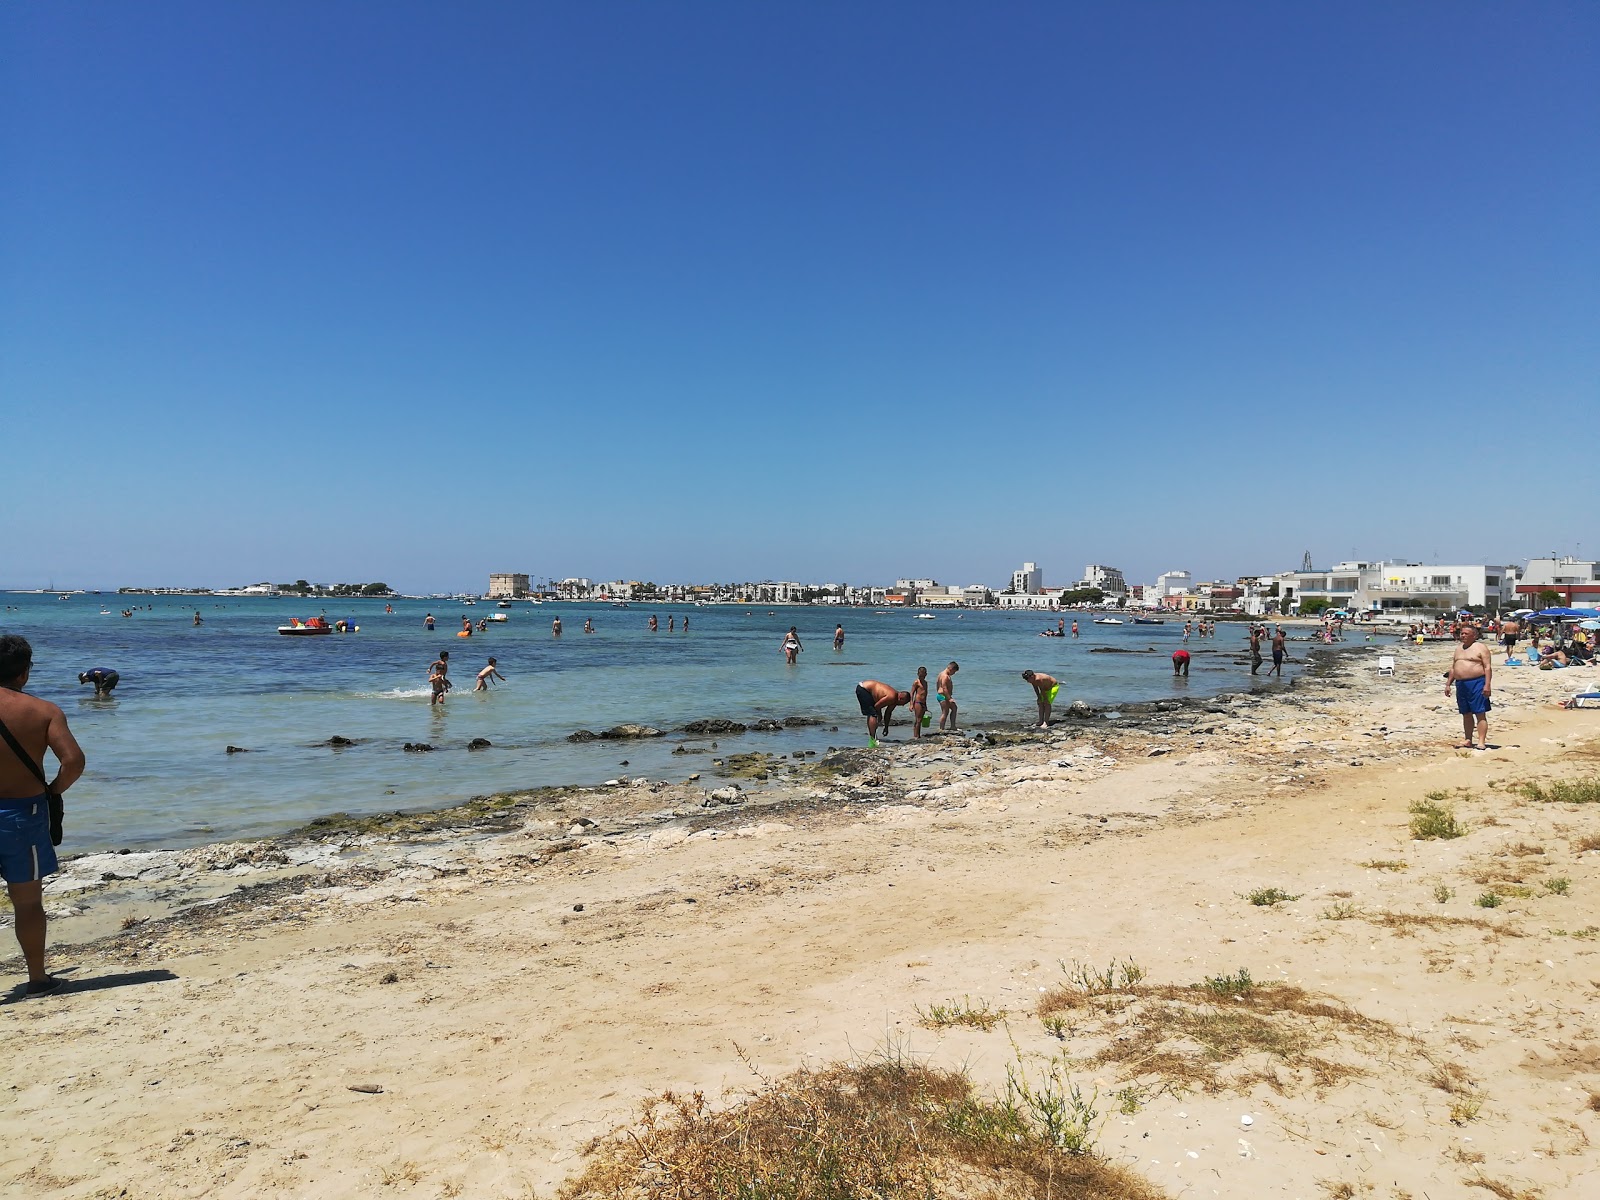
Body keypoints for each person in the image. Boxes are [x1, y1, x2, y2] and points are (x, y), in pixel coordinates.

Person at [0, 635, 87, 995]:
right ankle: (37, 978)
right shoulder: (44, 711)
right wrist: (52, 790)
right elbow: (74, 762)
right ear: (24, 673)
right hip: (23, 814)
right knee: (28, 901)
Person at [1446, 625, 1493, 750]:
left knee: (1479, 712)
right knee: (1466, 713)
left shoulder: (1481, 648)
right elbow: (1453, 667)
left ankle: (1481, 741)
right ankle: (1468, 739)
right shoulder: (1458, 649)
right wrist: (1448, 684)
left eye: (1466, 634)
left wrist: (1487, 685)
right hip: (1461, 684)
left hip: (1477, 682)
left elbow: (1487, 667)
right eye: (1462, 633)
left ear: (1474, 635)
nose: (1463, 636)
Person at [854, 679, 909, 747]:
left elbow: (888, 713)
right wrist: (879, 716)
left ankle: (873, 736)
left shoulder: (894, 701)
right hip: (864, 689)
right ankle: (872, 738)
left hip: (868, 691)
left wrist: (886, 727)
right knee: (872, 714)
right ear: (901, 698)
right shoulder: (892, 696)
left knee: (874, 714)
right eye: (904, 703)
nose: (903, 705)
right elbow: (876, 706)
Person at [936, 662, 959, 731]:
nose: (954, 673)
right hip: (943, 696)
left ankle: (952, 726)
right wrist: (949, 698)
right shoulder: (945, 676)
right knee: (945, 712)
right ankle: (941, 728)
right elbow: (944, 688)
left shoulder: (941, 673)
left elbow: (937, 685)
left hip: (942, 695)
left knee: (954, 708)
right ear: (951, 669)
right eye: (954, 671)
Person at [910, 667, 929, 739]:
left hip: (923, 703)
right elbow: (911, 693)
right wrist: (911, 704)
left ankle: (918, 734)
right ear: (918, 674)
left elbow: (925, 694)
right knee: (918, 720)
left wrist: (925, 704)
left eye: (923, 675)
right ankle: (916, 736)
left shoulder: (925, 683)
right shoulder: (916, 682)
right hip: (917, 702)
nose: (922, 677)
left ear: (926, 674)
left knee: (920, 720)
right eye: (920, 675)